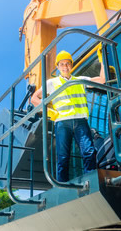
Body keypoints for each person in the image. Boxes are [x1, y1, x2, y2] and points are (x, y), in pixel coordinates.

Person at [31, 49, 105, 182]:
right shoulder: (51, 83)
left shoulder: (80, 80)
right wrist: (50, 112)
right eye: (62, 64)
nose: (65, 66)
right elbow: (34, 98)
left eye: (68, 63)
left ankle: (91, 180)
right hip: (62, 123)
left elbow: (102, 80)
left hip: (80, 121)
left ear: (71, 65)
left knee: (88, 151)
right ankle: (62, 185)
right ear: (58, 67)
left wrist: (102, 59)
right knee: (63, 157)